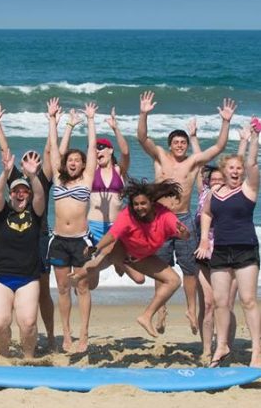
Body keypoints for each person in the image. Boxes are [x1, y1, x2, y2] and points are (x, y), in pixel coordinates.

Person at [137, 91, 236, 334]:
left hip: (182, 219)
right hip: (159, 219)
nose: (180, 146)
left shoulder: (193, 163)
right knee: (160, 267)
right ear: (170, 145)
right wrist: (143, 114)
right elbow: (142, 138)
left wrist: (226, 121)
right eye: (176, 143)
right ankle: (160, 310)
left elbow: (219, 147)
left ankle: (191, 309)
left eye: (183, 143)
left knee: (189, 268)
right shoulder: (160, 157)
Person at [70, 178, 189, 338]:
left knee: (172, 281)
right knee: (99, 262)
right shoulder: (128, 215)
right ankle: (77, 276)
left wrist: (184, 234)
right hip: (121, 249)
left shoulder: (164, 215)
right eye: (136, 204)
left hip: (141, 257)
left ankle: (146, 316)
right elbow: (112, 235)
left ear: (152, 202)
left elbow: (184, 233)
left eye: (143, 203)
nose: (139, 207)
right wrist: (96, 247)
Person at [0, 100, 56, 350]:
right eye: (27, 159)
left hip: (39, 236)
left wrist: (53, 122)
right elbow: (5, 150)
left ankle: (48, 337)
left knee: (43, 293)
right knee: (3, 307)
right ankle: (0, 342)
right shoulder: (18, 182)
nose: (32, 161)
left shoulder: (43, 179)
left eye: (35, 159)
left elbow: (50, 151)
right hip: (13, 238)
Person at [195, 118, 261, 368]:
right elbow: (208, 214)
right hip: (220, 251)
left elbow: (253, 162)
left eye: (238, 168)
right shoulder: (214, 193)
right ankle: (221, 345)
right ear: (224, 171)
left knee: (247, 300)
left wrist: (254, 138)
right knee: (221, 302)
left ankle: (257, 350)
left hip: (245, 250)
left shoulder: (249, 189)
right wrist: (203, 239)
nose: (236, 171)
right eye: (231, 168)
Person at [61, 106, 144, 285]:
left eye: (102, 148)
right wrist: (72, 125)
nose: (98, 151)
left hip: (116, 228)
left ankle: (113, 259)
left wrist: (115, 128)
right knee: (92, 284)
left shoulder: (119, 171)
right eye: (96, 149)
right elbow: (65, 158)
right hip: (93, 227)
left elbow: (126, 152)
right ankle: (111, 260)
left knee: (139, 278)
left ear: (110, 151)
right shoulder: (90, 172)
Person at [47, 98, 97, 354]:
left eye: (78, 160)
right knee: (63, 289)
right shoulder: (58, 178)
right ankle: (66, 335)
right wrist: (55, 121)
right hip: (58, 241)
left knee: (83, 287)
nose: (73, 162)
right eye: (71, 160)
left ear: (84, 164)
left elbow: (91, 145)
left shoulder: (87, 180)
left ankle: (84, 334)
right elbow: (54, 148)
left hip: (81, 240)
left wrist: (89, 120)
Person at [189, 118, 241, 361]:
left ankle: (226, 348)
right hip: (203, 255)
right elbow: (200, 164)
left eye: (222, 180)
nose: (217, 183)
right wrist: (193, 138)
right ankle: (207, 350)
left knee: (226, 305)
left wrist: (243, 143)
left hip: (230, 254)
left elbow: (238, 167)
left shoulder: (233, 193)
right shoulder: (203, 195)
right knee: (208, 304)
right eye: (214, 180)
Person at [0, 150, 45, 358]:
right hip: (0, 275)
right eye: (15, 192)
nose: (20, 195)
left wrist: (31, 176)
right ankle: (3, 356)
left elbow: (40, 195)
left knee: (28, 324)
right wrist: (5, 173)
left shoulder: (35, 213)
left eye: (24, 192)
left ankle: (28, 357)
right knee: (1, 323)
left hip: (28, 277)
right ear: (10, 194)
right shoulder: (2, 213)